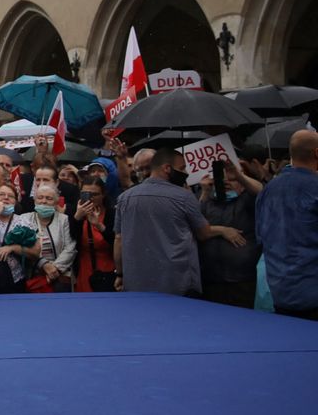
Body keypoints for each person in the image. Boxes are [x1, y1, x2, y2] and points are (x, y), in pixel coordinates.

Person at [113, 147, 244, 296]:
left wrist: (120, 274)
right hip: (177, 283)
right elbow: (203, 233)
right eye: (182, 168)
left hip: (137, 282)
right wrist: (223, 229)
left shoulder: (125, 198)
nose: (186, 173)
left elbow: (119, 239)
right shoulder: (183, 197)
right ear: (167, 168)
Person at [256, 131, 318, 319]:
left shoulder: (269, 189)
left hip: (279, 288)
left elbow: (261, 234)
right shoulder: (314, 188)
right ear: (316, 153)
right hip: (312, 288)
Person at [198, 160, 263, 308]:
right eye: (222, 177)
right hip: (211, 280)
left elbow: (261, 191)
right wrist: (205, 193)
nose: (226, 180)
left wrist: (238, 175)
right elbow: (196, 224)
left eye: (231, 178)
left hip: (241, 281)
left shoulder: (247, 200)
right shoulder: (208, 201)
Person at [0, 183, 39, 293]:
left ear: (15, 202)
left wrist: (13, 248)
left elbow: (35, 252)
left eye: (10, 196)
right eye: (1, 194)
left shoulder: (23, 221)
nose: (6, 197)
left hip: (12, 278)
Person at [24, 184, 77, 292]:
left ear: (56, 202)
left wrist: (54, 270)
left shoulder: (64, 220)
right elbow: (22, 246)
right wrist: (43, 264)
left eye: (49, 198)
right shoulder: (24, 219)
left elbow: (70, 248)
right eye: (40, 197)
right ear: (34, 200)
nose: (44, 201)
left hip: (59, 275)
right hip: (32, 275)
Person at [73, 176, 116, 292]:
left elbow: (116, 242)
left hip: (107, 267)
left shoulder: (112, 214)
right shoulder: (74, 213)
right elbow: (69, 239)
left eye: (95, 194)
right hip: (84, 267)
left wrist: (99, 225)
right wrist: (77, 218)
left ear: (103, 195)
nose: (90, 198)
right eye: (85, 194)